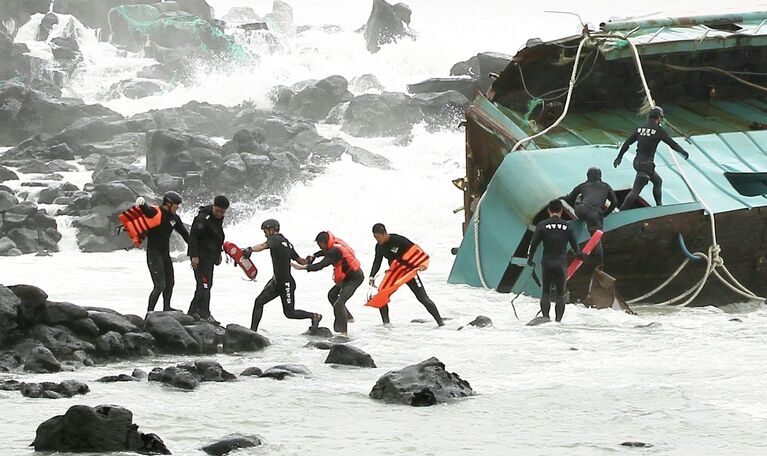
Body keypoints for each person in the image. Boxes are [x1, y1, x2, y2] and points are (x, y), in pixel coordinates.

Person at [243, 219, 321, 332]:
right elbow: (301, 261)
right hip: (276, 282)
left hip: (286, 284)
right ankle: (252, 332)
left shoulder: (274, 239)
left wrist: (250, 249)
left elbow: (262, 246)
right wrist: (309, 260)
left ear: (272, 229)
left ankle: (315, 316)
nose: (265, 234)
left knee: (290, 313)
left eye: (265, 231)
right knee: (259, 302)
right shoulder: (287, 243)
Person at [614, 106, 690, 210]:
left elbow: (627, 143)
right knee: (636, 190)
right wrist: (683, 152)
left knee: (658, 181)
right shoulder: (658, 130)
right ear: (659, 118)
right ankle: (621, 212)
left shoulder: (640, 128)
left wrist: (619, 157)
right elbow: (672, 144)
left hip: (637, 162)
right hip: (646, 165)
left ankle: (659, 206)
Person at [370, 223, 444, 326]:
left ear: (384, 234)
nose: (377, 240)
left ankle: (440, 322)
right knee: (382, 295)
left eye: (378, 237)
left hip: (409, 272)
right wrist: (372, 276)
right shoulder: (379, 247)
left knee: (422, 298)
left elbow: (417, 251)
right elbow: (377, 261)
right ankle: (386, 324)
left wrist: (422, 265)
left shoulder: (398, 240)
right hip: (396, 273)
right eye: (375, 238)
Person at [293, 231, 364, 336]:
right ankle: (348, 317)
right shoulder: (335, 245)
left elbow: (320, 265)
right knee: (332, 295)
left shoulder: (334, 251)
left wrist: (303, 267)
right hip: (346, 277)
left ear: (323, 242)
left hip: (354, 279)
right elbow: (324, 252)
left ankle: (344, 333)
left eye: (319, 244)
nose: (319, 247)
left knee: (339, 304)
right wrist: (315, 255)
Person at [527, 199, 586, 322]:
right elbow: (576, 248)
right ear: (561, 211)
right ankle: (558, 322)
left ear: (549, 210)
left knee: (545, 292)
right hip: (560, 263)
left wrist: (530, 259)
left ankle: (545, 319)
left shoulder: (542, 225)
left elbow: (533, 245)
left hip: (547, 262)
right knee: (560, 295)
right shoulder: (567, 226)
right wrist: (582, 255)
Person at [134, 191, 189, 312]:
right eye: (176, 205)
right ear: (168, 203)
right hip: (153, 254)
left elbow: (185, 235)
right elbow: (146, 210)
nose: (178, 208)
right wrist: (142, 202)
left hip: (165, 255)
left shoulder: (174, 218)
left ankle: (167, 307)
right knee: (159, 286)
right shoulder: (155, 212)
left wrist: (197, 246)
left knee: (170, 283)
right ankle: (150, 312)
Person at [187, 195, 229, 324]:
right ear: (213, 206)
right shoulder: (202, 218)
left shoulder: (218, 218)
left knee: (207, 285)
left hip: (210, 258)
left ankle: (195, 312)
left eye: (222, 212)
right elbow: (193, 237)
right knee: (204, 285)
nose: (220, 214)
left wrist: (219, 254)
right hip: (200, 257)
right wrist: (194, 256)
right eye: (218, 211)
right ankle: (203, 313)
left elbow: (216, 237)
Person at [564, 167, 617, 266]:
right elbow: (615, 202)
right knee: (596, 241)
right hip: (595, 215)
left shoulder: (583, 186)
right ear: (600, 176)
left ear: (587, 176)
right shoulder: (606, 186)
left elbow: (570, 197)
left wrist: (566, 198)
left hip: (581, 210)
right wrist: (605, 213)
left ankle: (582, 213)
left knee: (579, 197)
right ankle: (600, 265)